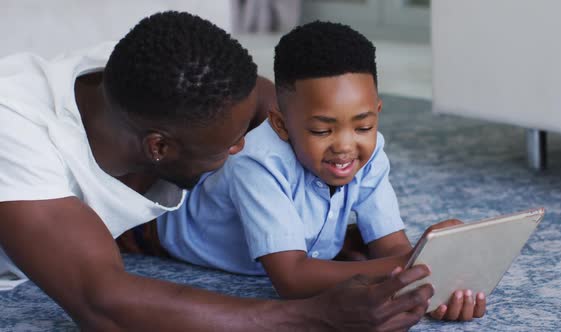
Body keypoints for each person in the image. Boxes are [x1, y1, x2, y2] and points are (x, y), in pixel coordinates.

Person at [0, 11, 435, 331]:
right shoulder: (19, 135)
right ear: (158, 147)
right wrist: (314, 316)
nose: (246, 145)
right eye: (230, 145)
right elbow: (104, 305)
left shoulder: (154, 82)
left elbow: (275, 107)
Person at [157, 21, 486, 322]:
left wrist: (438, 288)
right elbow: (292, 278)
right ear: (281, 125)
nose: (345, 146)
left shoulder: (370, 153)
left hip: (305, 242)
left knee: (359, 253)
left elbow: (390, 247)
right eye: (322, 131)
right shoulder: (256, 162)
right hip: (167, 232)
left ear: (377, 112)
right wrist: (416, 264)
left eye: (363, 125)